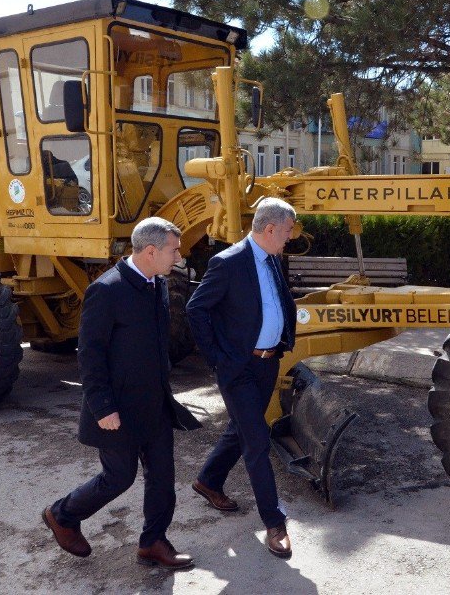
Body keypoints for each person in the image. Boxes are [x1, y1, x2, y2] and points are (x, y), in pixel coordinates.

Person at [42, 217, 202, 570]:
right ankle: (62, 515)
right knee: (118, 478)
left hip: (154, 403)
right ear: (150, 251)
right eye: (173, 250)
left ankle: (153, 542)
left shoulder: (157, 284)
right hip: (118, 408)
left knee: (162, 478)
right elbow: (91, 353)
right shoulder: (107, 290)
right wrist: (102, 407)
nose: (178, 256)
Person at [186, 197, 298, 559]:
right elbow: (196, 308)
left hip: (267, 363)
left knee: (241, 427)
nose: (288, 238)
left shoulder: (273, 259)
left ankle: (207, 481)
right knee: (257, 442)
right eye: (286, 232)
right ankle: (274, 522)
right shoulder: (228, 262)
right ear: (269, 229)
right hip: (238, 368)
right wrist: (218, 359)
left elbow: (276, 302)